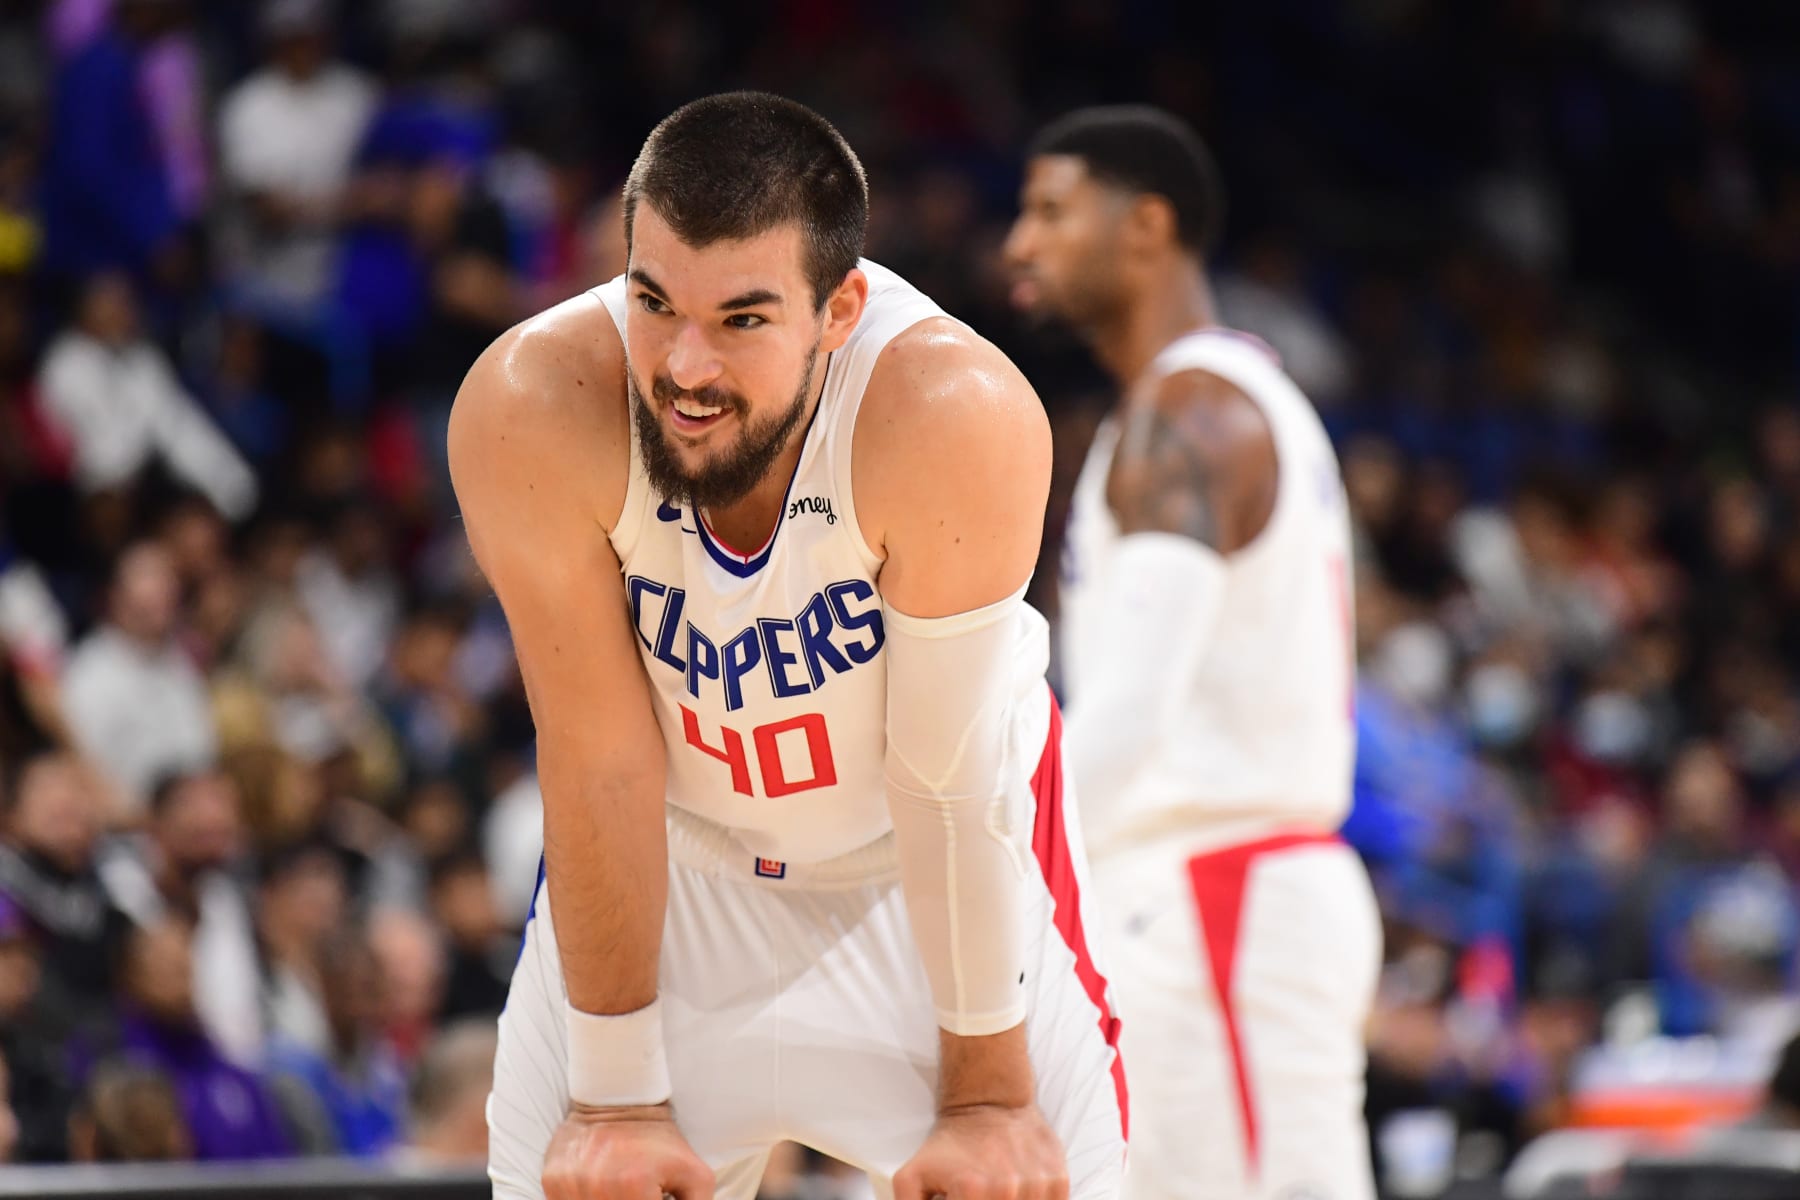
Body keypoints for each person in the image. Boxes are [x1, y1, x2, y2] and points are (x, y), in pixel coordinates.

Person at [451, 91, 1126, 1200]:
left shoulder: (951, 412)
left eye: (744, 320)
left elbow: (946, 781)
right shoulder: (535, 402)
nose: (687, 367)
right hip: (678, 868)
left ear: (840, 308)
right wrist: (618, 1096)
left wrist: (987, 1100)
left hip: (928, 889)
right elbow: (597, 755)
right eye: (655, 301)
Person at [1005, 106, 1381, 1200]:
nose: (1019, 244)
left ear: (1146, 225)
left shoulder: (1195, 412)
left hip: (1217, 894)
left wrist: (1005, 902)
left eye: (1050, 211)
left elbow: (1126, 718)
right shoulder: (1192, 404)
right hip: (1206, 895)